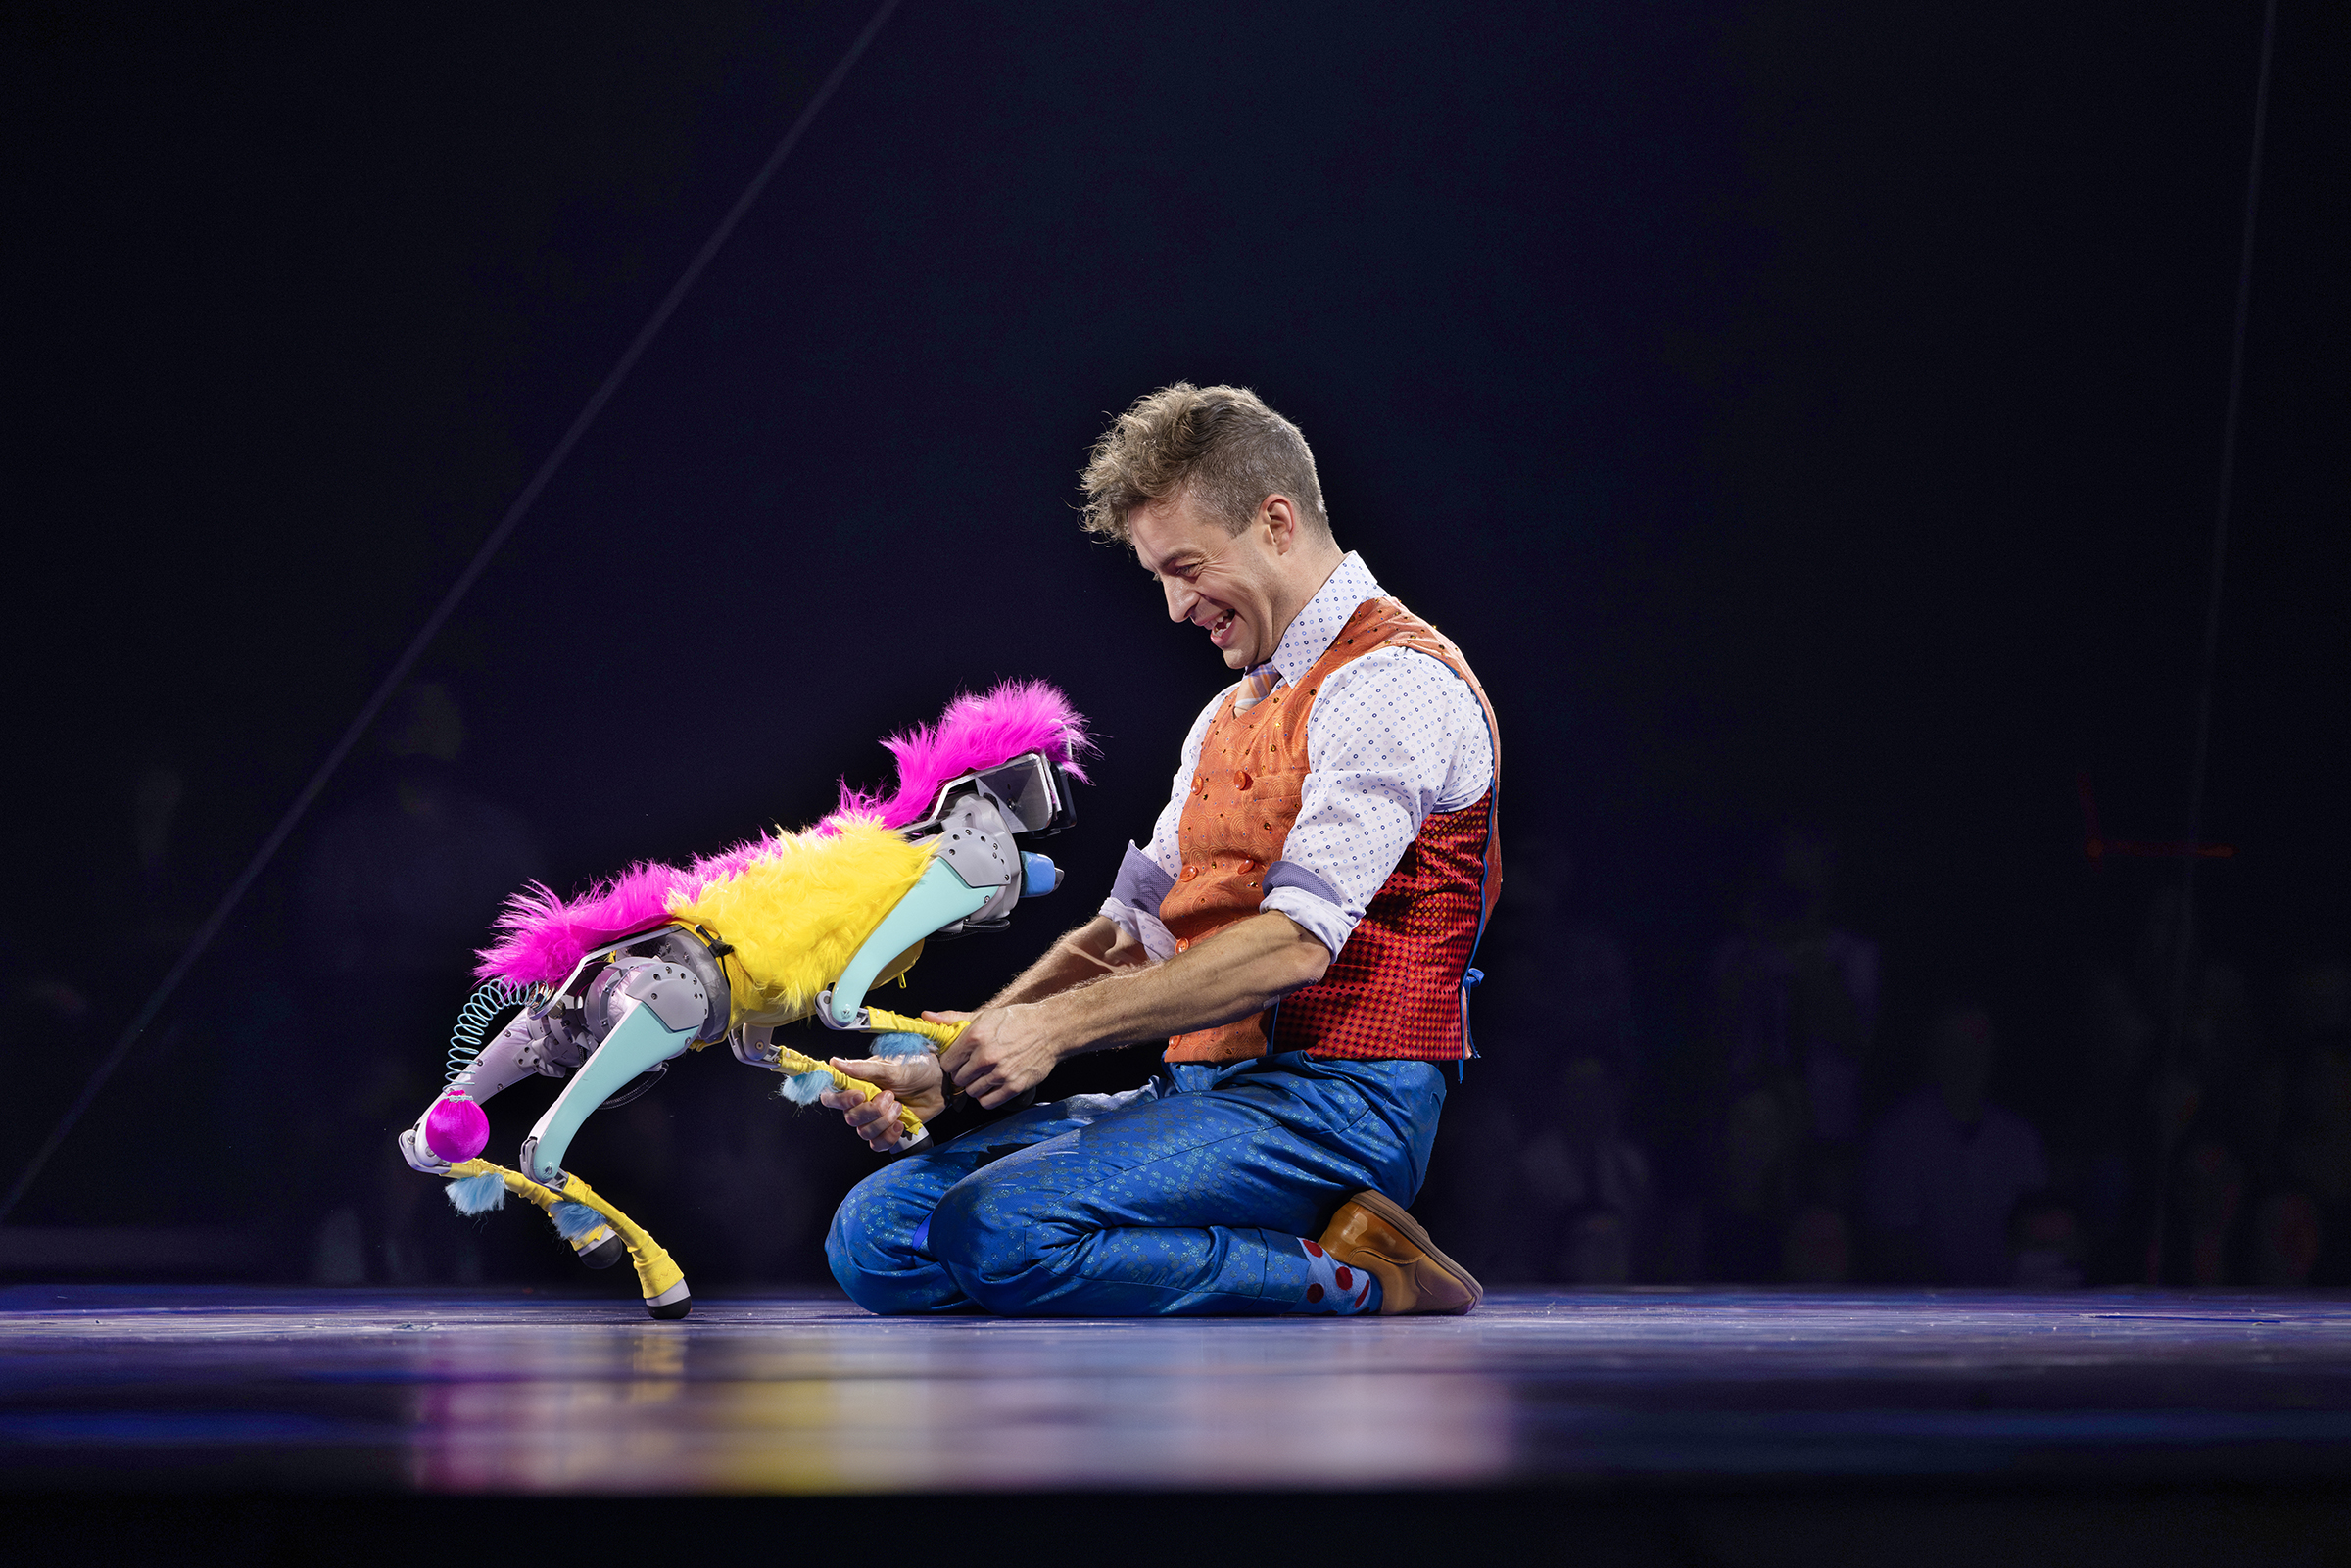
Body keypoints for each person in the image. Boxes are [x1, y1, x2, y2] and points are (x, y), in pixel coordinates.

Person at [819, 383, 1498, 1316]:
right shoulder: (1226, 713)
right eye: (1159, 578)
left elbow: (1297, 943)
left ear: (1275, 522)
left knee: (994, 1227)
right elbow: (1128, 933)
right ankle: (1228, 1251)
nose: (1177, 608)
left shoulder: (1394, 684)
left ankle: (1359, 1277)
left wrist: (1054, 1031)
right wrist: (960, 1065)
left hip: (1340, 1107)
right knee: (873, 1237)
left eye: (1186, 567)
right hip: (1199, 1092)